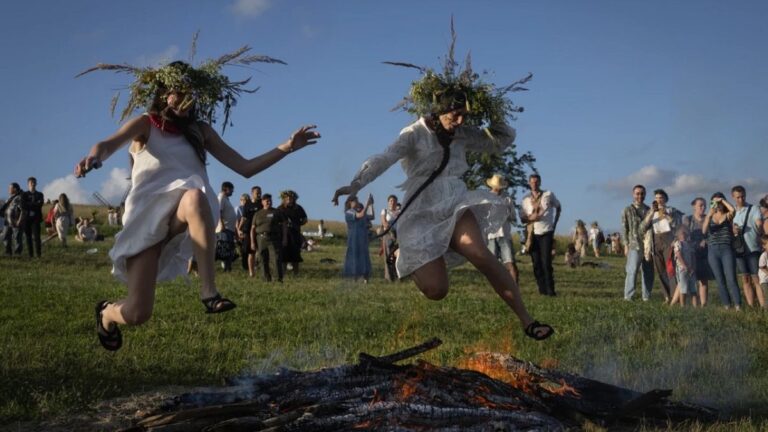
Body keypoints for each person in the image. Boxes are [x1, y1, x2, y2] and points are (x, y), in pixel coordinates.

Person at [75, 54, 320, 351]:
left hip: (181, 216)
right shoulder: (145, 124)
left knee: (194, 195)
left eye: (191, 93)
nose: (185, 99)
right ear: (166, 93)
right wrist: (93, 158)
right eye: (180, 91)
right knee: (138, 313)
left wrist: (287, 148)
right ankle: (107, 312)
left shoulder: (200, 131)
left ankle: (209, 293)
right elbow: (107, 144)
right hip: (146, 221)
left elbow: (245, 167)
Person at [332, 69, 553, 339]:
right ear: (438, 109)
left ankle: (527, 321)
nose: (459, 121)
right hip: (422, 208)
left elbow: (501, 141)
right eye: (454, 114)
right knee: (437, 291)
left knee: (480, 253)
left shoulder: (462, 133)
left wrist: (492, 110)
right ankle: (404, 255)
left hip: (454, 200)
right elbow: (384, 158)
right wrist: (355, 184)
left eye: (465, 115)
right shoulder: (414, 133)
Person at [520, 174, 561, 297]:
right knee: (536, 263)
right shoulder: (525, 199)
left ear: (540, 182)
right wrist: (530, 218)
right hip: (532, 233)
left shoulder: (548, 195)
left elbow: (558, 207)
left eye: (536, 182)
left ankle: (551, 290)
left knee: (546, 262)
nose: (534, 184)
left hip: (546, 232)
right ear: (529, 183)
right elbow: (522, 217)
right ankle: (542, 290)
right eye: (532, 182)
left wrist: (554, 224)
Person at [702, 192, 741, 310]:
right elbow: (703, 231)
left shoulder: (727, 215)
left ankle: (738, 305)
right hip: (713, 250)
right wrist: (709, 214)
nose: (716, 204)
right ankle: (727, 305)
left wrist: (722, 201)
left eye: (718, 202)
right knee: (719, 279)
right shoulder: (708, 216)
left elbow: (733, 210)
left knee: (731, 278)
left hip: (726, 249)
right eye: (714, 202)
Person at [641, 189, 682, 303]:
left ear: (665, 199)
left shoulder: (671, 210)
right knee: (660, 270)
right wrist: (651, 213)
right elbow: (643, 227)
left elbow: (677, 225)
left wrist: (665, 214)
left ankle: (675, 296)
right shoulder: (650, 211)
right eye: (656, 198)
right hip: (655, 240)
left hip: (668, 239)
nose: (658, 200)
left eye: (661, 198)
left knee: (670, 268)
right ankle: (666, 296)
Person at [731, 185, 766, 308]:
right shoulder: (732, 212)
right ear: (733, 197)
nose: (741, 199)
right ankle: (751, 306)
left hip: (753, 248)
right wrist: (733, 229)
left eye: (743, 196)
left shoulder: (754, 208)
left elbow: (758, 221)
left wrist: (759, 225)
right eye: (738, 197)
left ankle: (763, 306)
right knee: (745, 278)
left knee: (756, 278)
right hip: (739, 249)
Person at [621, 185, 654, 301]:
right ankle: (628, 296)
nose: (640, 196)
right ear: (633, 194)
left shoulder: (650, 210)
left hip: (648, 245)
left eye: (642, 193)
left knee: (648, 271)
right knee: (632, 270)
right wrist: (625, 244)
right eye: (637, 193)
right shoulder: (627, 210)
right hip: (634, 244)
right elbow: (624, 228)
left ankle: (646, 296)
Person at [486, 174, 520, 285]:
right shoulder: (486, 198)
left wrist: (505, 214)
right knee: (492, 263)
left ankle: (514, 286)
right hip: (491, 234)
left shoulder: (507, 199)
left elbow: (513, 217)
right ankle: (499, 286)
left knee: (509, 261)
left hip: (504, 233)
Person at [250, 194, 287, 282]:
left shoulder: (277, 212)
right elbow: (252, 229)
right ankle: (265, 279)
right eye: (267, 201)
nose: (269, 202)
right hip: (261, 238)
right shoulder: (257, 214)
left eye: (270, 200)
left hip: (274, 238)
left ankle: (278, 279)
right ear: (262, 202)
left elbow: (284, 225)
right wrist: (252, 242)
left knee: (276, 259)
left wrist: (285, 238)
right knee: (262, 259)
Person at [683, 197, 712, 306]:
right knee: (691, 280)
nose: (703, 208)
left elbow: (712, 235)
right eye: (700, 205)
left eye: (704, 205)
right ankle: (692, 305)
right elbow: (684, 234)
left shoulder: (708, 218)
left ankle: (704, 304)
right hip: (691, 253)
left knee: (704, 280)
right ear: (694, 206)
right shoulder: (688, 219)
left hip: (705, 253)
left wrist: (706, 240)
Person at [341, 195, 374, 282]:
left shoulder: (360, 211)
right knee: (355, 257)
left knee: (364, 257)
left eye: (357, 200)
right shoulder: (349, 212)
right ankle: (355, 278)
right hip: (354, 239)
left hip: (363, 238)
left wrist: (371, 205)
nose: (358, 202)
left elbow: (372, 216)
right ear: (350, 203)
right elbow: (361, 215)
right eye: (355, 201)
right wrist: (367, 204)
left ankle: (365, 278)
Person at [278, 190, 307, 276]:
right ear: (283, 199)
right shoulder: (280, 209)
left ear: (294, 199)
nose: (289, 199)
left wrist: (298, 224)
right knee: (284, 256)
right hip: (283, 235)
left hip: (295, 234)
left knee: (295, 256)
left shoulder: (298, 208)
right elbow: (276, 220)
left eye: (291, 197)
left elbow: (305, 219)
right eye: (287, 198)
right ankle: (283, 274)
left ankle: (296, 274)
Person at [670, 225, 698, 307]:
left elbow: (693, 256)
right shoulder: (678, 243)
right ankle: (683, 306)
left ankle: (695, 307)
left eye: (685, 233)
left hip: (691, 269)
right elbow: (678, 255)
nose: (684, 235)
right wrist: (685, 266)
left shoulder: (689, 244)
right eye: (682, 233)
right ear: (678, 235)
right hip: (682, 269)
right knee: (683, 289)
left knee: (694, 289)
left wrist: (693, 267)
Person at [215, 182, 237, 272]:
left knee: (229, 249)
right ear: (226, 189)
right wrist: (222, 224)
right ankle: (225, 269)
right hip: (224, 228)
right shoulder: (221, 198)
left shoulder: (226, 199)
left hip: (230, 228)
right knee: (224, 250)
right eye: (231, 189)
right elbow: (218, 211)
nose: (233, 191)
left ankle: (228, 268)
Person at [21, 177, 44, 258]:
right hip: (27, 219)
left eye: (34, 183)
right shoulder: (24, 194)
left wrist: (29, 204)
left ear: (36, 184)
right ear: (28, 184)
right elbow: (23, 206)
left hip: (36, 219)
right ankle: (31, 255)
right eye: (31, 183)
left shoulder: (40, 194)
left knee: (37, 237)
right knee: (28, 237)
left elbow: (40, 205)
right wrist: (34, 203)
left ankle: (38, 255)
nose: (33, 184)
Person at [2, 183, 25, 256]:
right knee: (5, 237)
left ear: (15, 189)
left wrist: (19, 220)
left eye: (10, 188)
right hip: (7, 222)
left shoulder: (19, 197)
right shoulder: (10, 198)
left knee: (17, 238)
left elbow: (23, 210)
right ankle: (8, 253)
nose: (8, 189)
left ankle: (17, 254)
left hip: (16, 221)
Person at [758, 235, 768, 304]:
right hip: (764, 280)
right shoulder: (764, 255)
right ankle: (765, 311)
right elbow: (762, 267)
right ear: (764, 246)